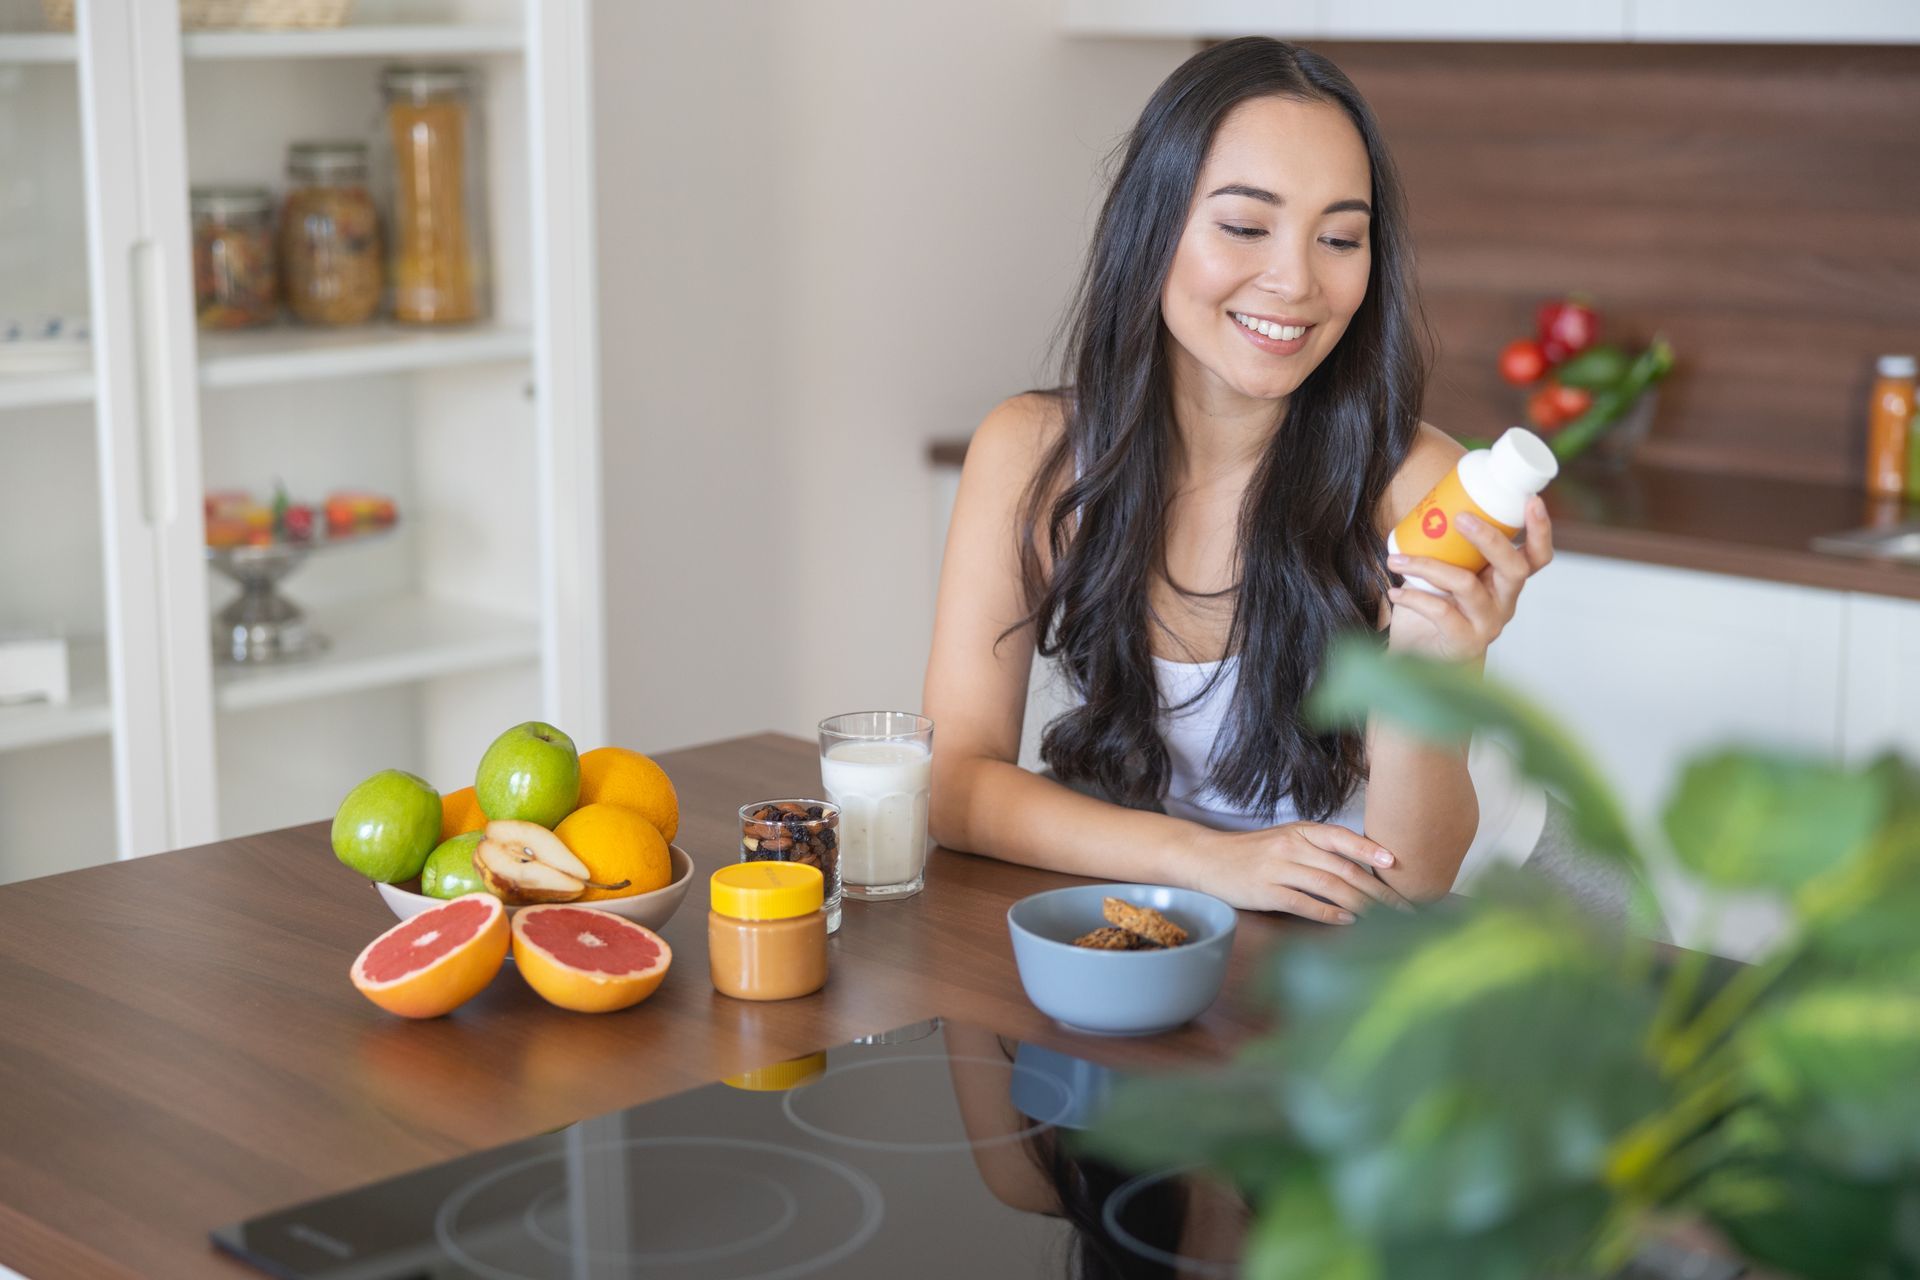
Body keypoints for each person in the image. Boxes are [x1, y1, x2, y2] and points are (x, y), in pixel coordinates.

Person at [923, 37, 1555, 921]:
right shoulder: (1031, 454)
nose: (1296, 281)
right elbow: (953, 787)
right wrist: (1208, 861)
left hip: (1493, 920)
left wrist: (1434, 663)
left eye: (1339, 238)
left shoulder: (1418, 489)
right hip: (1227, 911)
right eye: (1245, 226)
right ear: (1153, 227)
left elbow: (1412, 878)